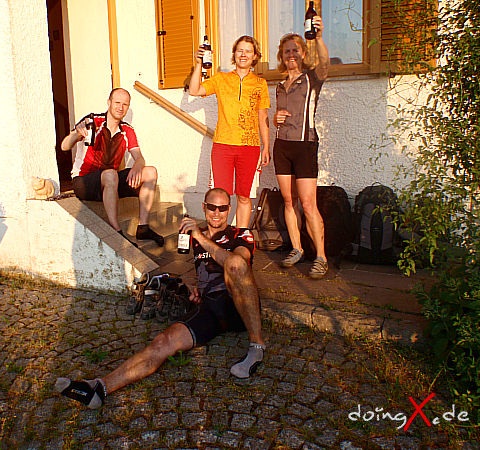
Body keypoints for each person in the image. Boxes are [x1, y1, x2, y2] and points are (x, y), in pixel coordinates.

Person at [55, 188, 266, 408]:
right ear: (204, 207)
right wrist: (193, 286)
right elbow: (202, 271)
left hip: (237, 305)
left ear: (229, 210)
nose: (216, 213)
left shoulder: (240, 235)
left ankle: (257, 345)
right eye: (212, 207)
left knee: (235, 265)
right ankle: (99, 388)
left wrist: (200, 237)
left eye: (222, 208)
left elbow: (238, 265)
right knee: (164, 341)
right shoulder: (196, 237)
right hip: (210, 309)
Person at [61, 88, 163, 246]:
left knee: (150, 172)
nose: (120, 107)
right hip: (84, 182)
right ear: (109, 103)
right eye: (117, 103)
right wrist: (76, 134)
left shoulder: (127, 130)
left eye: (125, 104)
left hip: (110, 182)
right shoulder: (93, 121)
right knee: (110, 174)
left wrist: (137, 165)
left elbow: (139, 157)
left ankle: (143, 227)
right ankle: (116, 232)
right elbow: (64, 146)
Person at [189, 36, 270, 228]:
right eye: (240, 50)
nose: (243, 54)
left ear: (255, 56)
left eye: (248, 51)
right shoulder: (221, 79)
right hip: (223, 146)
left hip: (250, 146)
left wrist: (266, 147)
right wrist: (198, 64)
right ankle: (219, 237)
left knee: (244, 196)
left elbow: (263, 116)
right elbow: (194, 90)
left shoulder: (260, 83)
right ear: (234, 54)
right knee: (219, 197)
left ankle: (242, 236)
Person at [273, 17, 330, 279]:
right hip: (282, 146)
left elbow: (325, 63)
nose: (291, 55)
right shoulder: (279, 86)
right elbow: (279, 116)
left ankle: (321, 257)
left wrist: (318, 37)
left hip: (305, 145)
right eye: (287, 51)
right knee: (288, 201)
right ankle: (297, 248)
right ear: (282, 56)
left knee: (308, 204)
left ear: (303, 53)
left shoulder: (312, 78)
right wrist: (276, 118)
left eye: (295, 50)